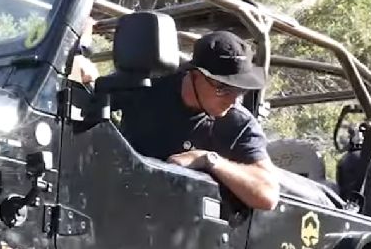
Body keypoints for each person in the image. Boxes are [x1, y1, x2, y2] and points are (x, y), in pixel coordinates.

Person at [110, 29, 282, 211]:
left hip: (178, 219)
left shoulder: (238, 123)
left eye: (241, 91)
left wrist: (207, 159)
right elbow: (87, 101)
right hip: (119, 199)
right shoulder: (148, 88)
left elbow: (268, 194)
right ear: (194, 75)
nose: (233, 100)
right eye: (223, 89)